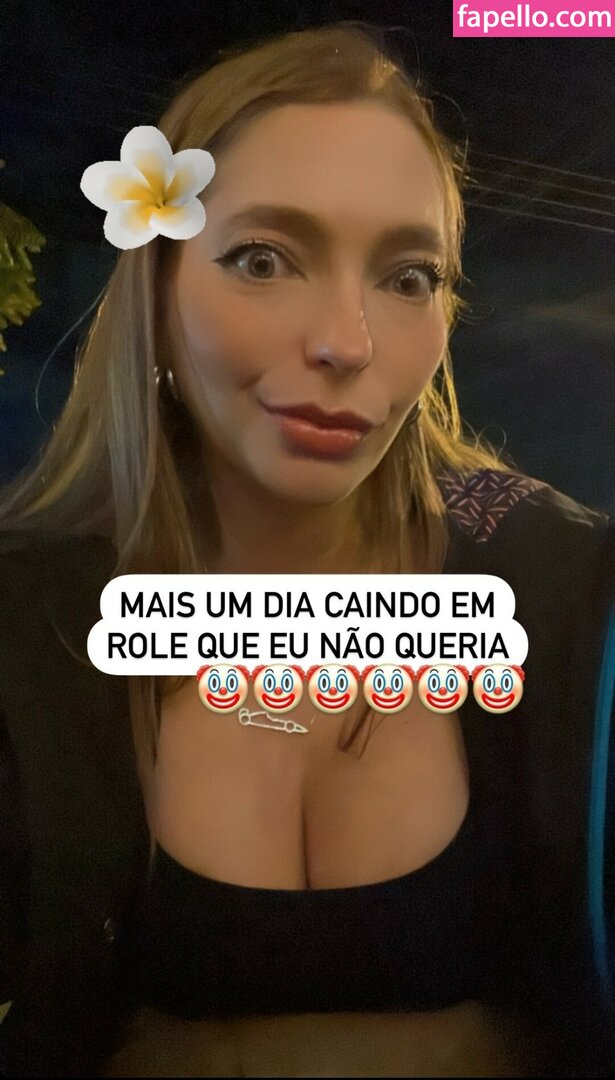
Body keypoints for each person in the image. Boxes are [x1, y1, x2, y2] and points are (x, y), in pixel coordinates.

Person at [0, 20, 613, 1078]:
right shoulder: (25, 612)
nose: (347, 342)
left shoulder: (571, 600)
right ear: (155, 290)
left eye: (408, 277)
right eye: (262, 259)